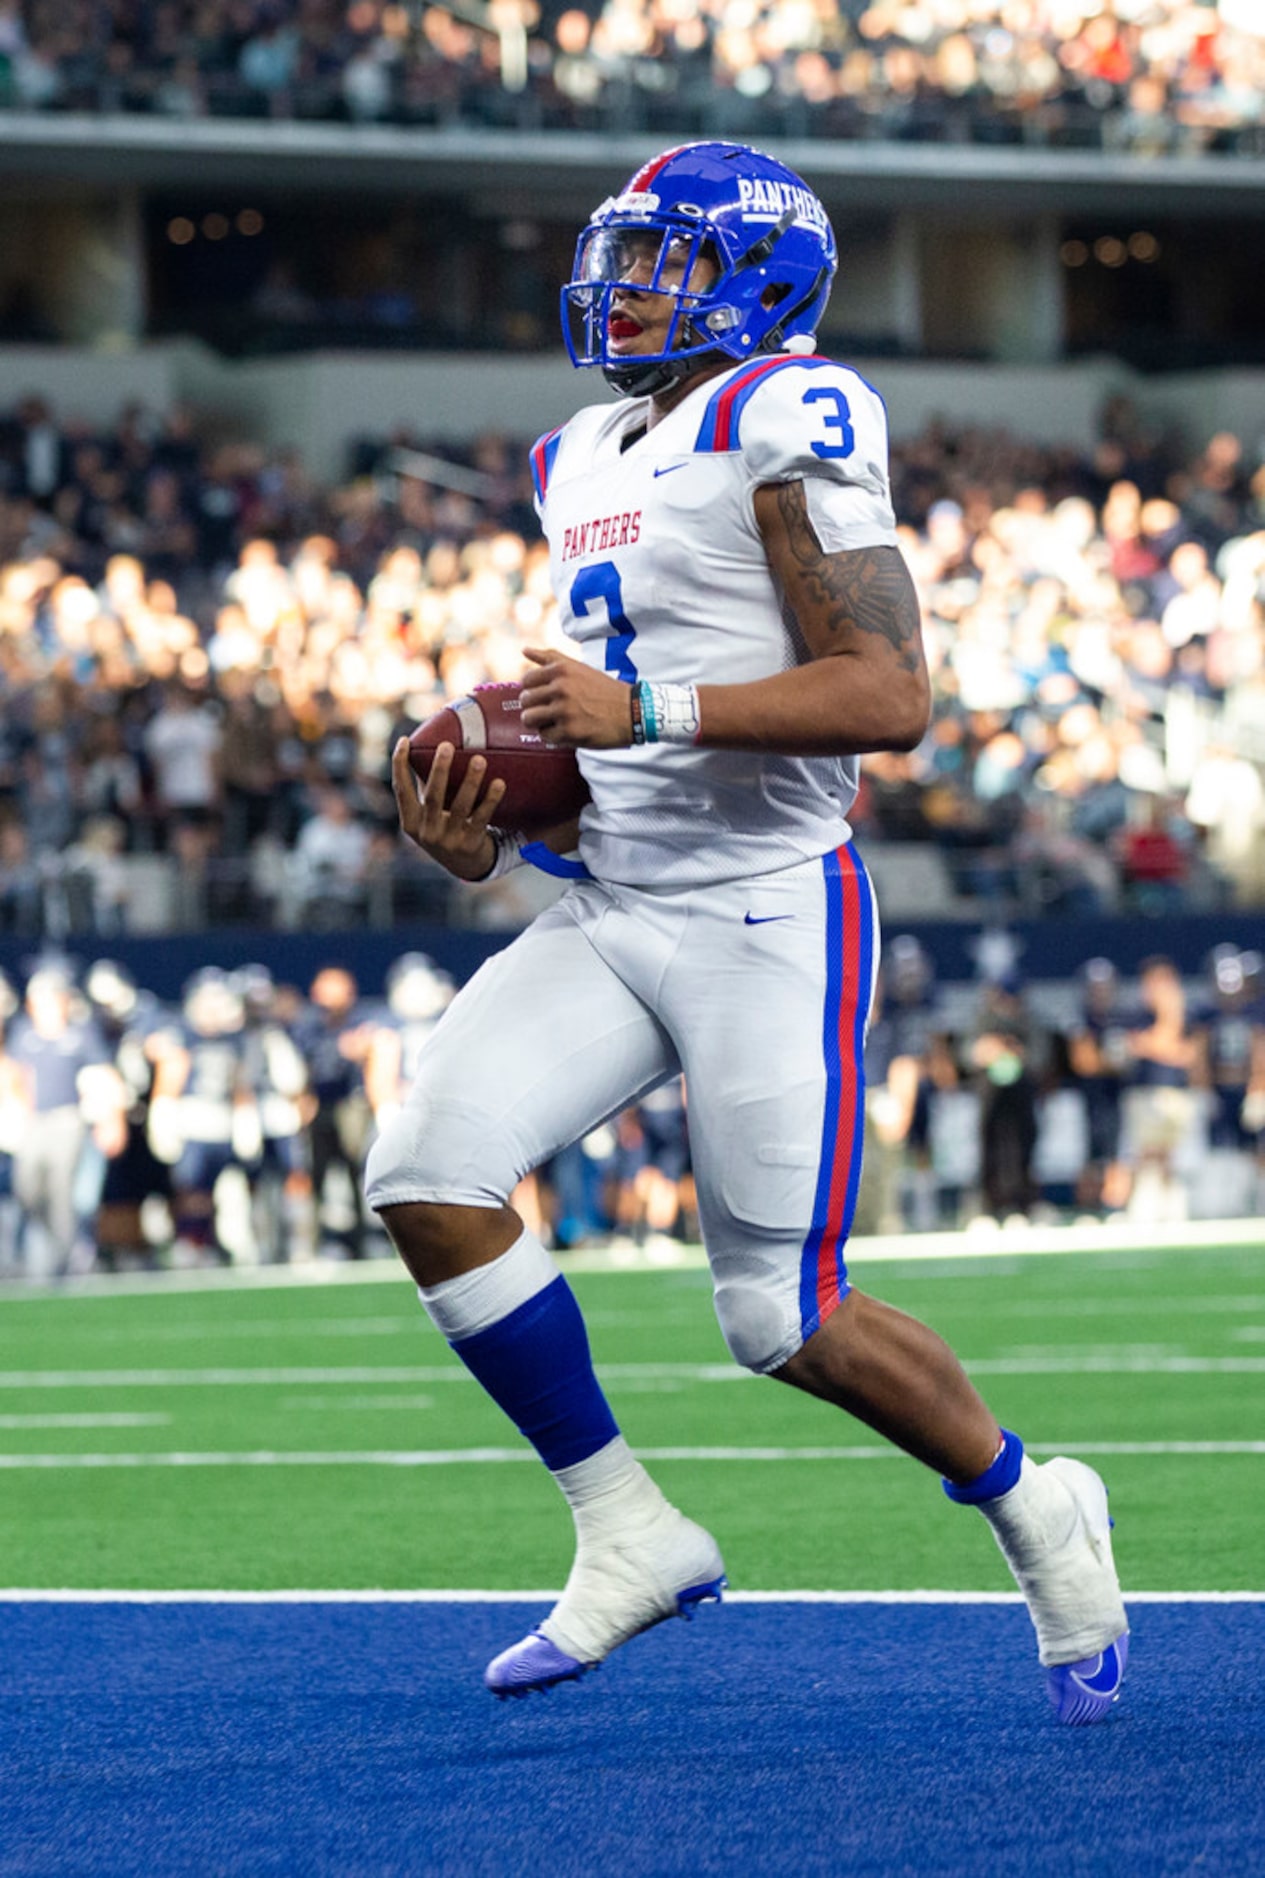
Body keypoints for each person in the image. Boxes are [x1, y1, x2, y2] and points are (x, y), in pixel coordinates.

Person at [367, 142, 1127, 1722]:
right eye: (621, 254)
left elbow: (887, 695)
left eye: (663, 258)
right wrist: (489, 827)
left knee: (781, 1314)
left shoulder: (782, 409)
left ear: (761, 278)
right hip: (616, 893)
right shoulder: (578, 448)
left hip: (768, 904)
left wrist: (646, 707)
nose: (628, 283)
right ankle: (626, 1529)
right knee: (426, 1176)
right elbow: (595, 749)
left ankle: (1035, 1507)